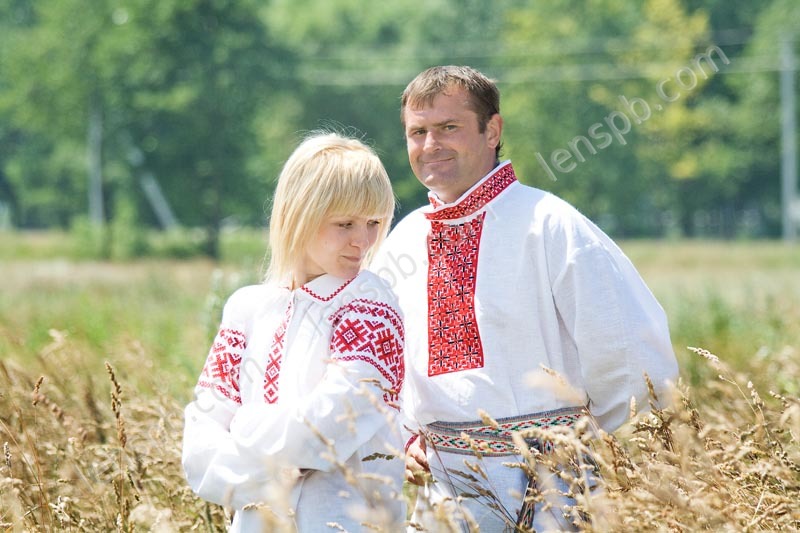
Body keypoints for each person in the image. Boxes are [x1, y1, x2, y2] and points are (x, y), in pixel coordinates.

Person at [370, 65, 679, 531]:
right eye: (418, 132)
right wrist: (402, 438)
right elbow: (380, 365)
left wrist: (592, 446)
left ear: (492, 129)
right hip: (443, 494)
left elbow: (626, 348)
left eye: (448, 127)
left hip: (549, 488)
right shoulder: (401, 242)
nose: (431, 145)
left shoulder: (549, 224)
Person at [182, 132, 407, 532]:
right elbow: (198, 446)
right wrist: (278, 473)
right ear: (299, 214)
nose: (363, 240)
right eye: (345, 223)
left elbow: (330, 426)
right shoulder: (247, 308)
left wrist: (246, 425)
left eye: (373, 222)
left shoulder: (370, 300)